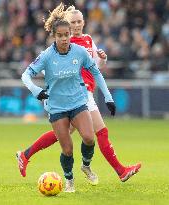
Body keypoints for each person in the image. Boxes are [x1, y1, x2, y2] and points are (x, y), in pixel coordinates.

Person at [16, 3, 141, 189]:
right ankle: (108, 170)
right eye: (72, 22)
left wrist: (103, 59)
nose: (75, 25)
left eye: (78, 21)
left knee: (75, 136)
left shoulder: (88, 41)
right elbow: (32, 72)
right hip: (72, 95)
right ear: (64, 26)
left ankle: (27, 155)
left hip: (83, 94)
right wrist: (37, 90)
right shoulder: (64, 45)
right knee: (88, 136)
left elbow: (96, 66)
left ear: (84, 22)